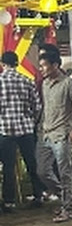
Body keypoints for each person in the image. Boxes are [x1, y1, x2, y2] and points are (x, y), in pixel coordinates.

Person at [36, 47, 72, 222]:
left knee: (65, 172)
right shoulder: (45, 84)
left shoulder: (69, 83)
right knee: (42, 171)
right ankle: (64, 194)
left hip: (62, 134)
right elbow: (45, 109)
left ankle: (67, 208)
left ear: (55, 65)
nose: (41, 69)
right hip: (46, 134)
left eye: (44, 65)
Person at [0, 51, 45, 212]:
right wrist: (32, 121)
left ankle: (9, 201)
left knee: (8, 167)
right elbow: (37, 107)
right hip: (26, 128)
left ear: (2, 64)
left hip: (5, 129)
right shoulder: (27, 81)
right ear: (17, 63)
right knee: (32, 163)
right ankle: (39, 195)